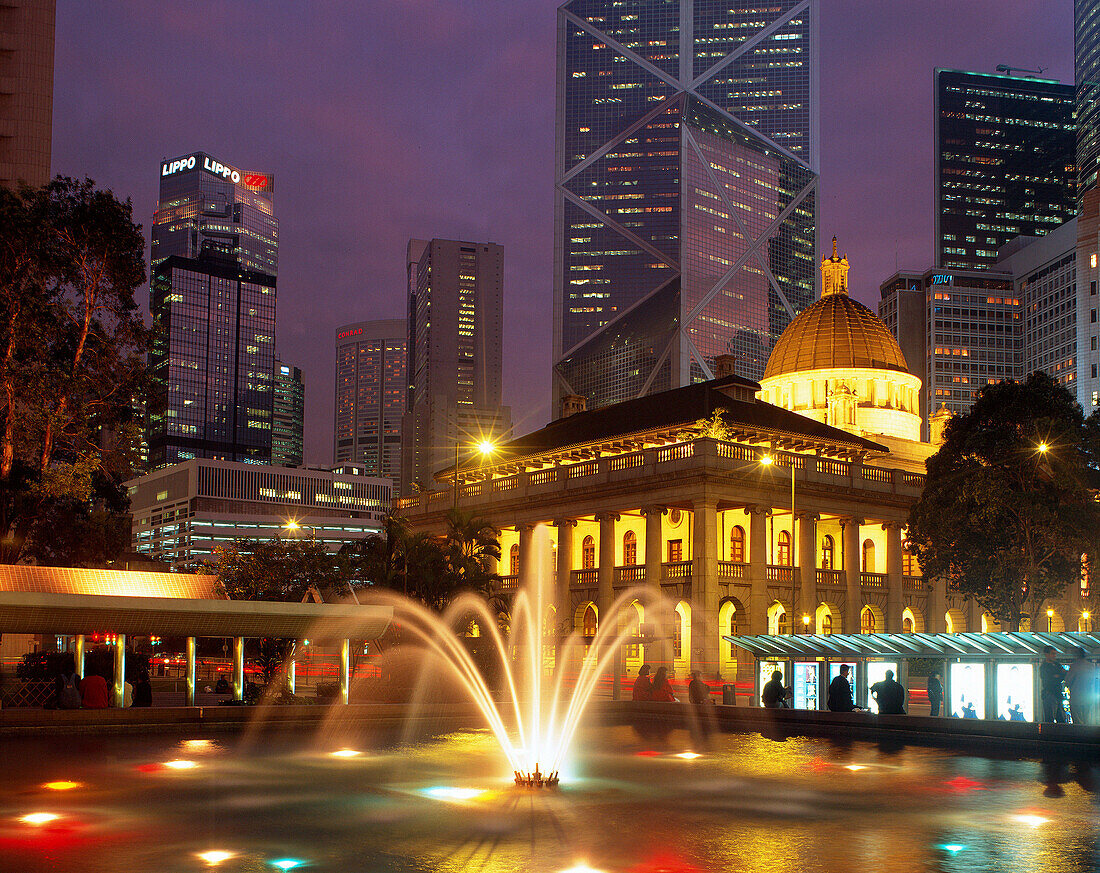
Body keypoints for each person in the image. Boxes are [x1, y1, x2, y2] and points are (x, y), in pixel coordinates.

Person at [1065, 647, 1098, 725]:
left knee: (1077, 722)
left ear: (1076, 655)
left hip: (1076, 698)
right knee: (1086, 720)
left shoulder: (1074, 666)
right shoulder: (1091, 666)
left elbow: (1067, 682)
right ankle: (1086, 735)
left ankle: (1079, 735)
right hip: (1088, 698)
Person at [1039, 645, 1068, 723]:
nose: (1054, 656)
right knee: (1051, 718)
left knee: (1059, 717)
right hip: (1050, 694)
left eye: (1055, 654)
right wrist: (1059, 676)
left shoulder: (1056, 664)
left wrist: (1057, 676)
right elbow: (1052, 679)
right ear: (1046, 654)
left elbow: (1061, 675)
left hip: (1056, 694)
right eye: (1053, 654)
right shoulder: (1045, 667)